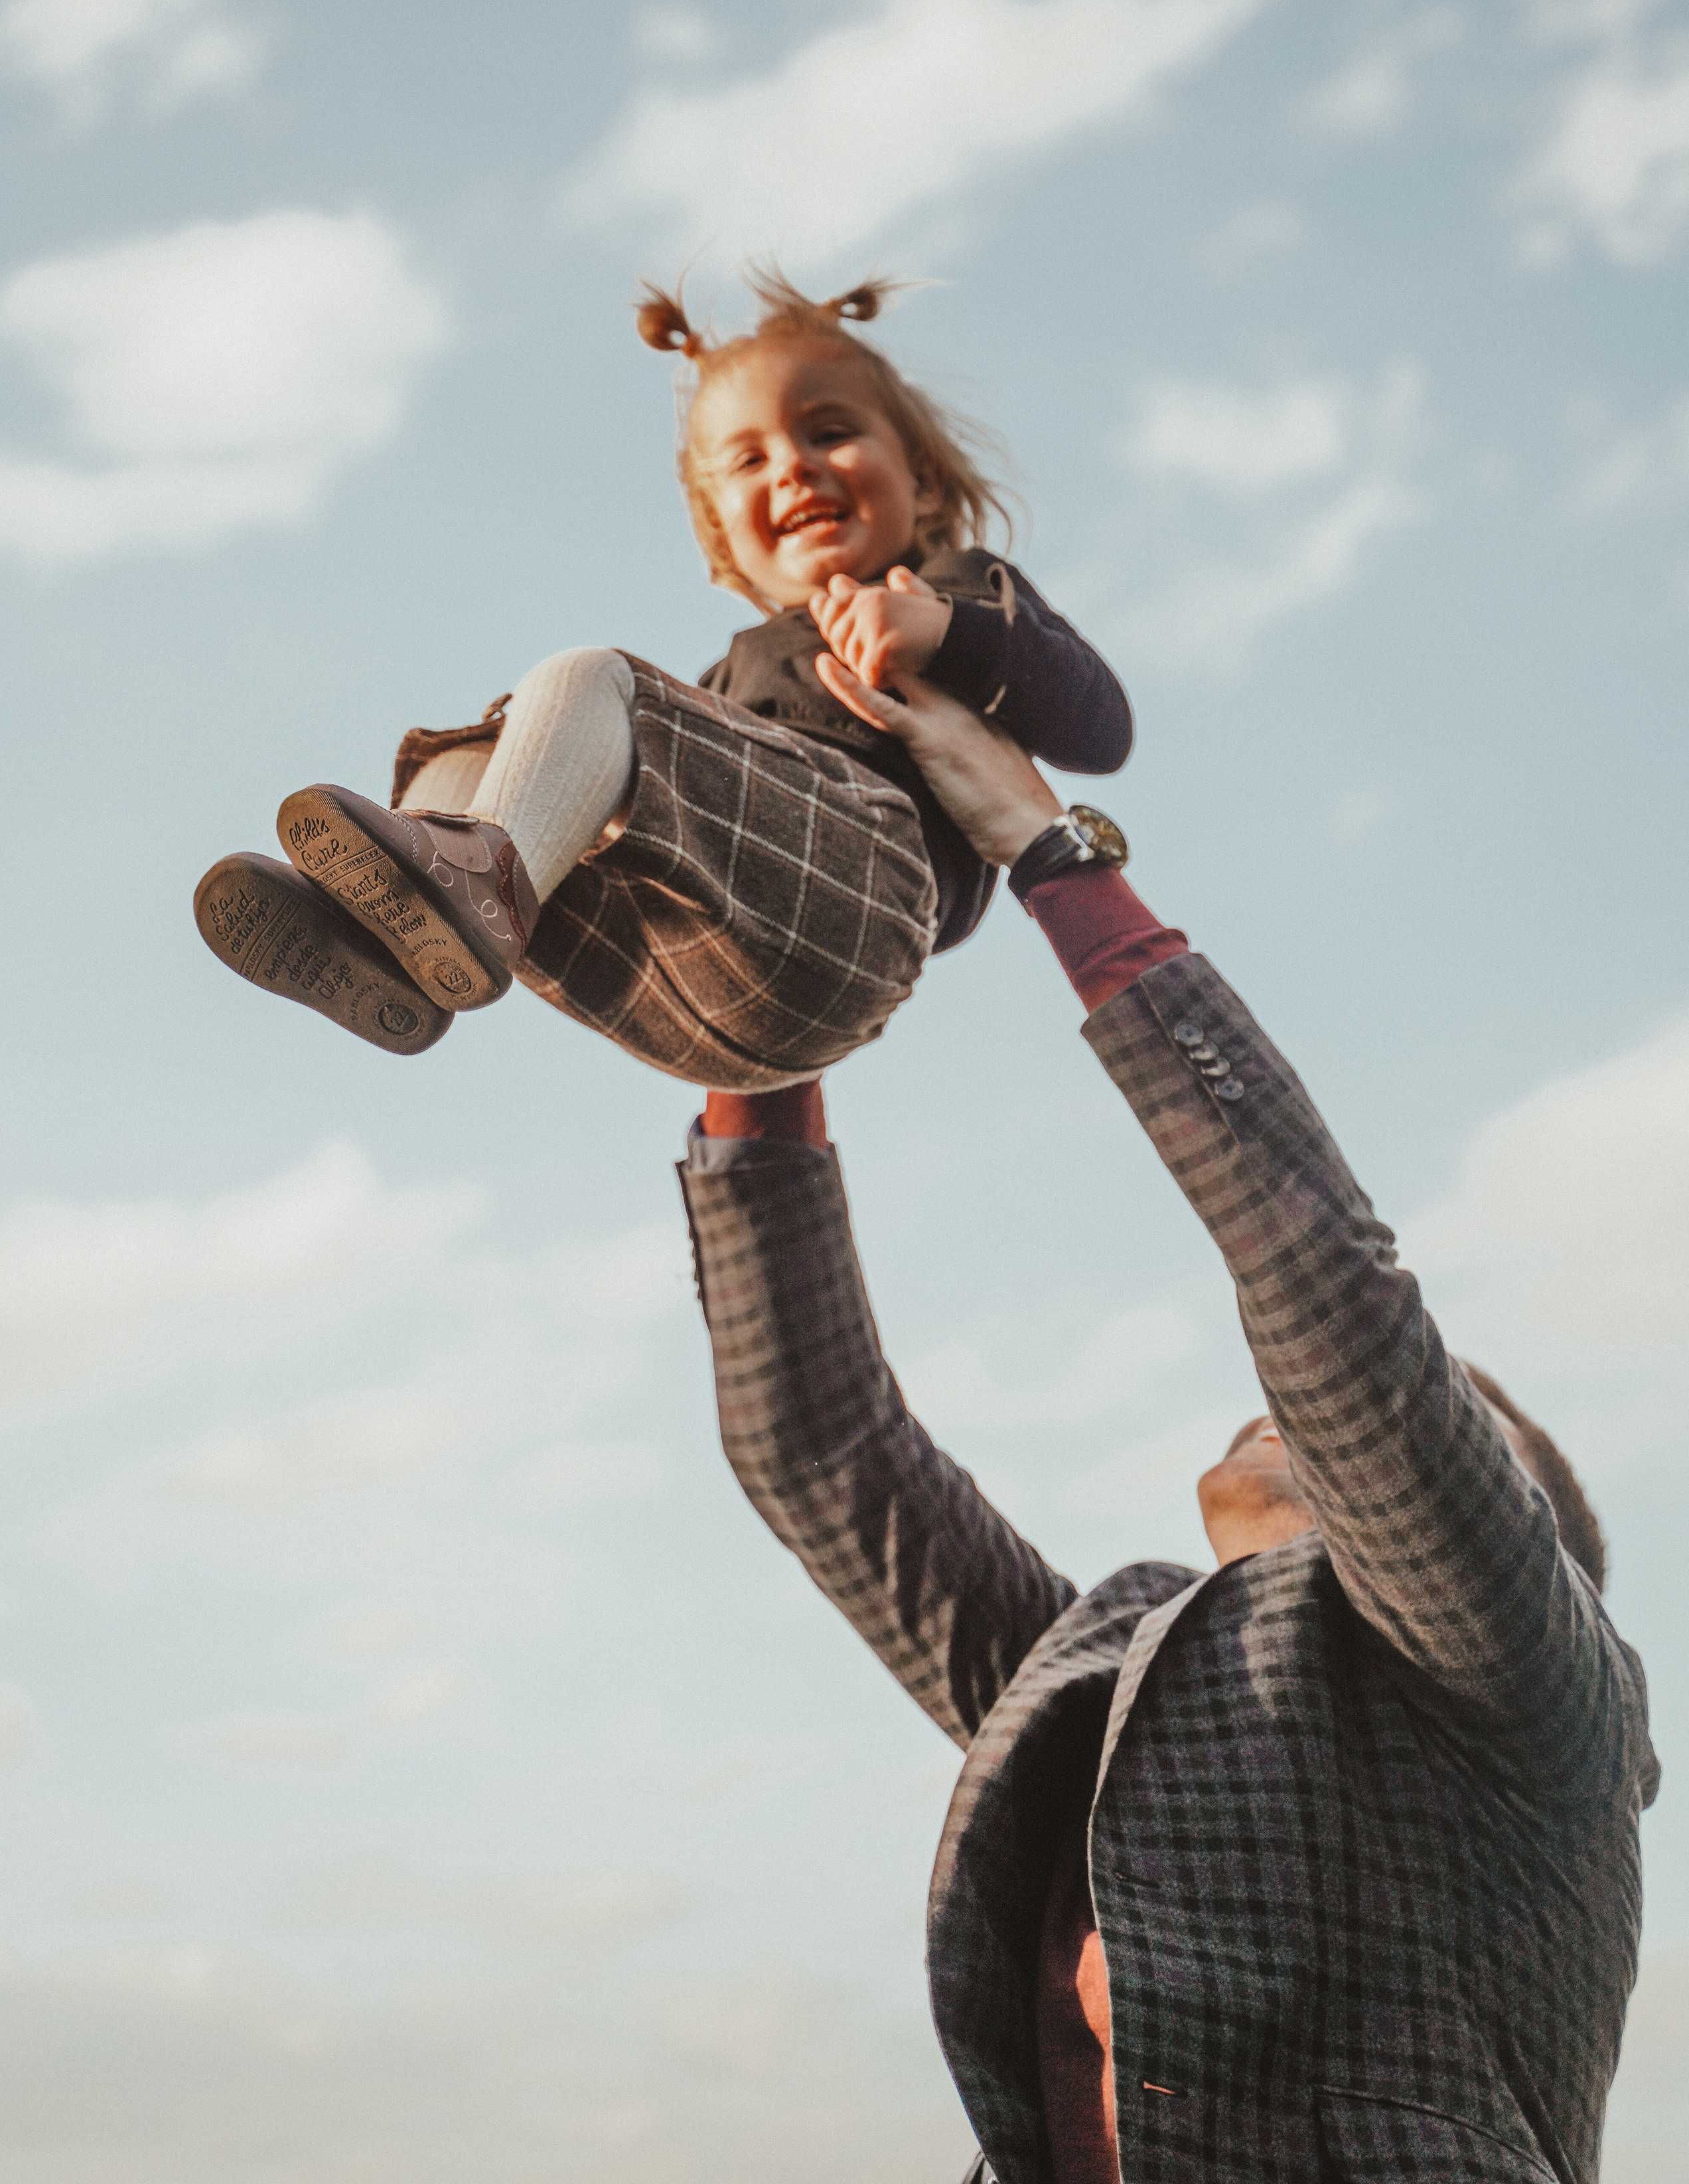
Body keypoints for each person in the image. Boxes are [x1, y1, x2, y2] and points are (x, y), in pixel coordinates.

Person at [679, 668, 1657, 2184]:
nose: (1289, 1410)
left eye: (1460, 1419)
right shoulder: (1121, 1686)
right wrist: (767, 1031)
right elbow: (821, 1452)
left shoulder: (1531, 1694)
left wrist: (1045, 848)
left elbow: (1324, 1296)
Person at [192, 274, 1131, 1089]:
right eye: (752, 460)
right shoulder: (728, 682)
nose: (796, 466)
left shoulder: (951, 590)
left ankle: (471, 875)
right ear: (726, 539)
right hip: (699, 999)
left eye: (831, 432)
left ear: (923, 485)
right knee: (501, 750)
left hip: (863, 903)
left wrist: (947, 629)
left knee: (589, 684)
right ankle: (399, 935)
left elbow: (1101, 725)